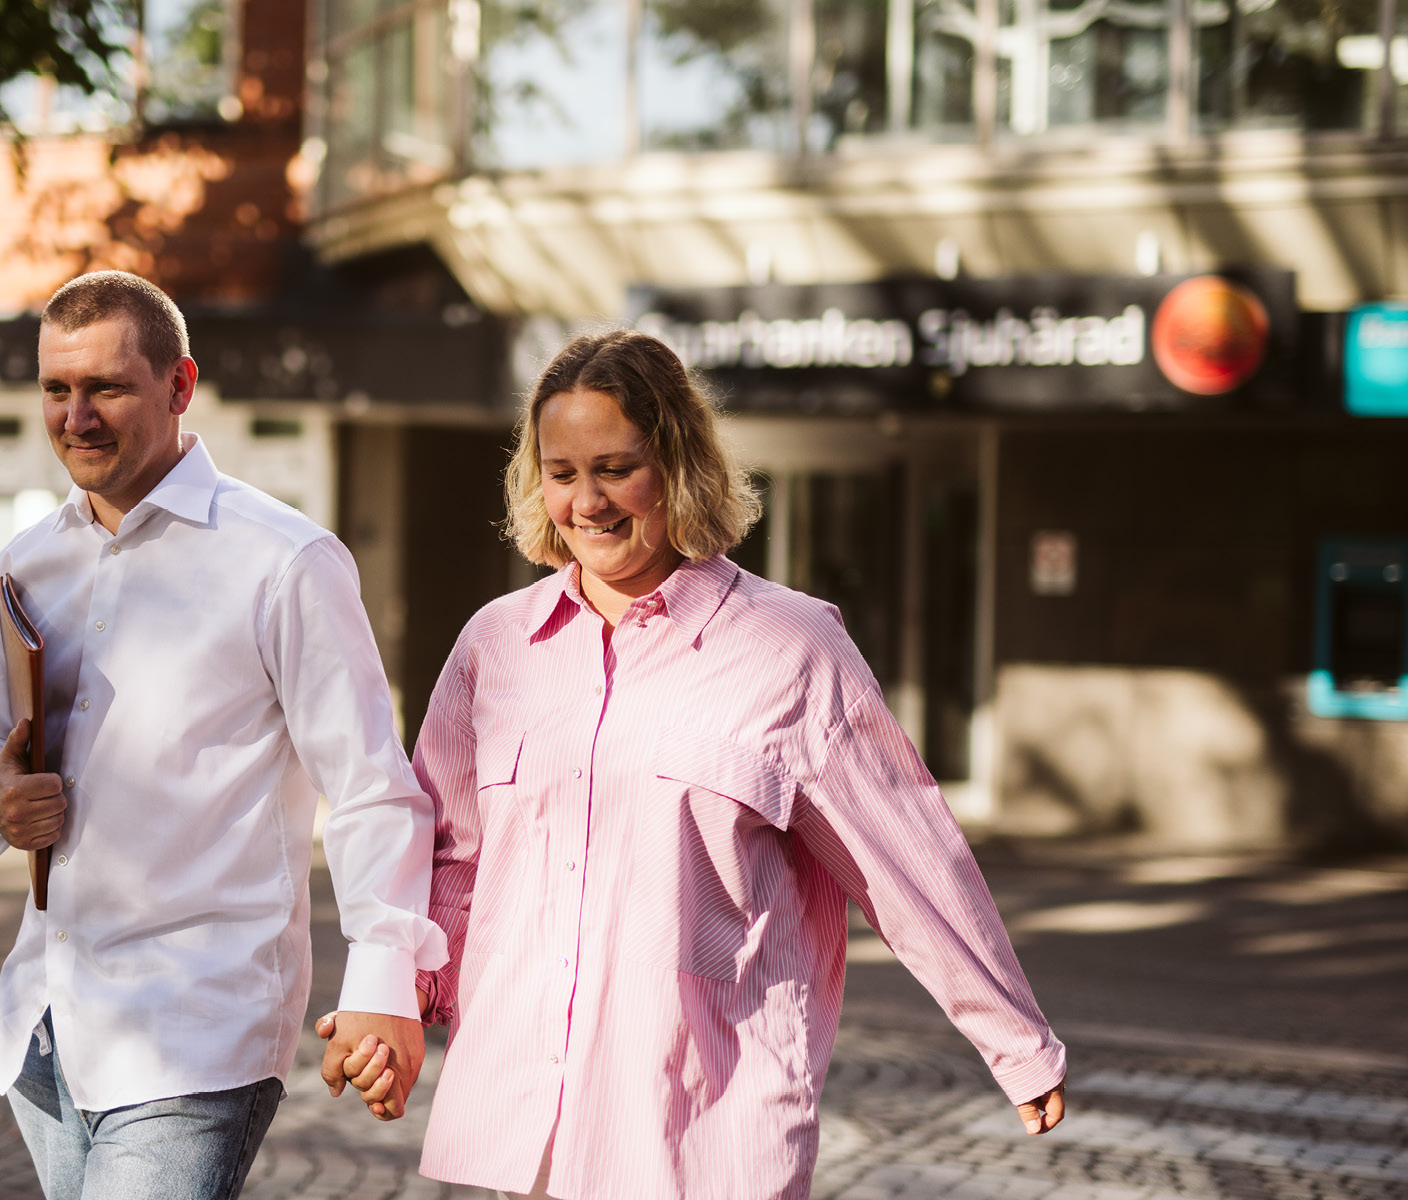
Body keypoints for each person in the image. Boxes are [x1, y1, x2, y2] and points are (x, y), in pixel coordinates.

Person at [322, 329, 1066, 1198]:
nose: (587, 502)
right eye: (562, 473)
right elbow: (452, 857)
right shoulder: (497, 644)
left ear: (679, 465)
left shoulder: (790, 646)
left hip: (703, 1124)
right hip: (528, 1123)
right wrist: (397, 999)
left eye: (616, 469)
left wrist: (1013, 1040)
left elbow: (907, 855)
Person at [0, 270, 445, 1199]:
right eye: (56, 389)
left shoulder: (284, 561)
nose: (76, 417)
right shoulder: (26, 562)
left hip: (197, 1034)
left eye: (107, 387)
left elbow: (371, 787)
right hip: (46, 1023)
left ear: (180, 386)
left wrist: (383, 982)